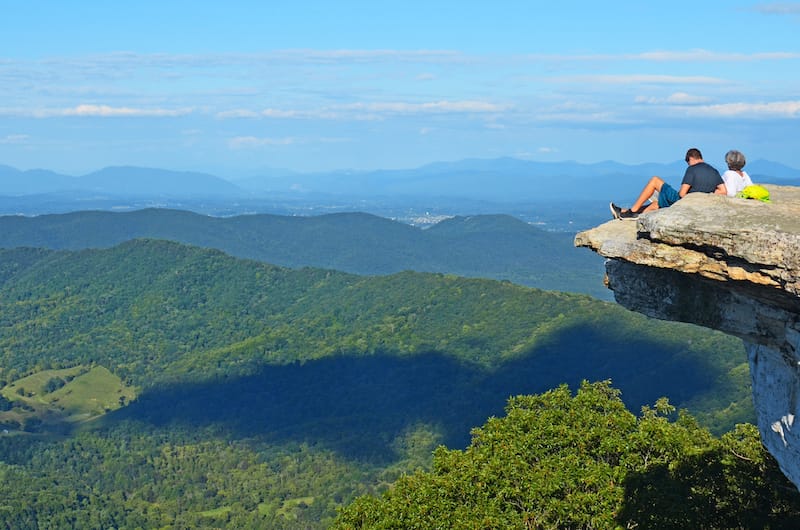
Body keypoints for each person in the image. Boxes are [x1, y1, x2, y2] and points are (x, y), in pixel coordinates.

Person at [610, 148, 727, 220]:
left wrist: (693, 197)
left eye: (688, 162)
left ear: (691, 159)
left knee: (655, 181)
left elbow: (682, 193)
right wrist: (704, 197)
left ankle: (632, 211)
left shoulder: (692, 169)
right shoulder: (714, 171)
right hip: (698, 204)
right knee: (656, 205)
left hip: (684, 202)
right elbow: (723, 191)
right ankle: (629, 215)